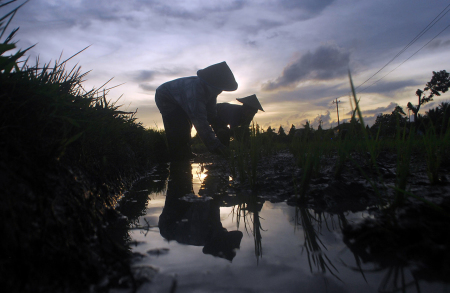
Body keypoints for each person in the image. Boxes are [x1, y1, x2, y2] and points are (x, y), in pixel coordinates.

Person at [155, 61, 238, 161]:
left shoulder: (211, 91)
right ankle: (178, 158)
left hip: (180, 97)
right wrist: (217, 147)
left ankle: (185, 153)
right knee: (179, 126)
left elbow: (211, 114)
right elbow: (200, 122)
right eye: (219, 89)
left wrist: (219, 126)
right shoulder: (195, 94)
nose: (220, 91)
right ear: (211, 84)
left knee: (186, 125)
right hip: (165, 98)